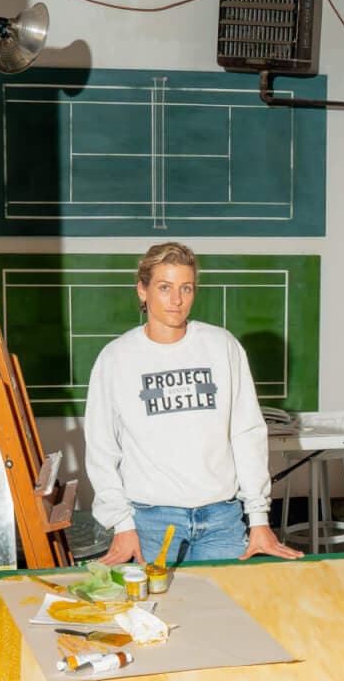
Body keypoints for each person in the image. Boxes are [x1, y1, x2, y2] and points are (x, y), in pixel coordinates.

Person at [84, 242, 301, 565]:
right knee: (157, 612)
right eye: (164, 287)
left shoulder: (221, 346)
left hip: (222, 520)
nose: (176, 300)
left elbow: (247, 433)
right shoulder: (116, 358)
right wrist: (122, 523)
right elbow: (102, 449)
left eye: (186, 288)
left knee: (226, 611)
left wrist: (258, 518)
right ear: (142, 291)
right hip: (151, 523)